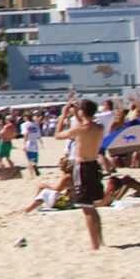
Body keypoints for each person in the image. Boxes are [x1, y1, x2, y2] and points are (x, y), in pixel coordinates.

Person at [54, 99, 106, 250]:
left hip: (82, 167)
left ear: (83, 112)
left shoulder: (79, 129)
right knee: (92, 207)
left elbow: (58, 135)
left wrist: (63, 116)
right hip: (94, 165)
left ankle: (94, 244)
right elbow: (85, 124)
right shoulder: (99, 127)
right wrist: (77, 113)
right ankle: (100, 240)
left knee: (87, 208)